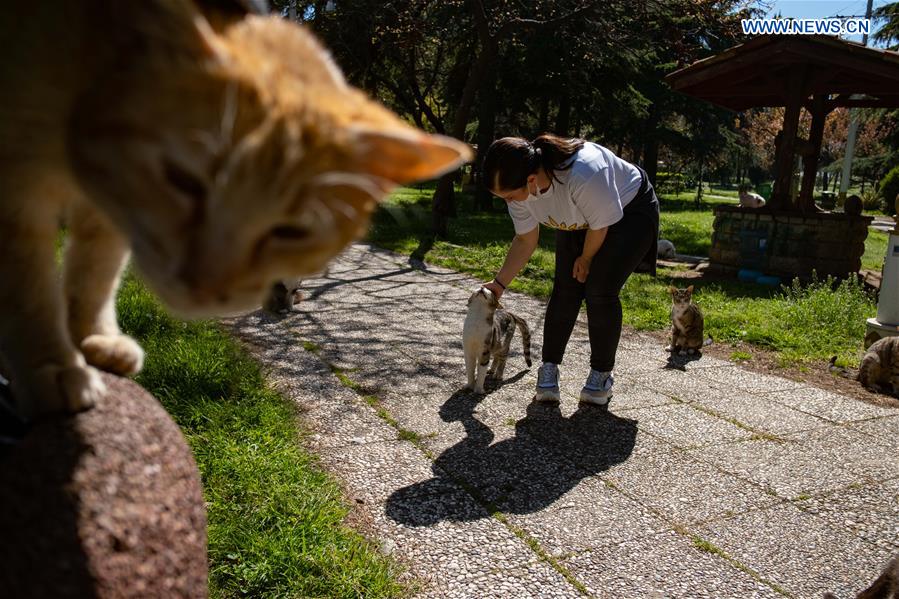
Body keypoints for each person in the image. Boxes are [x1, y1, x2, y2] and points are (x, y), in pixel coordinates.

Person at [481, 134, 659, 406]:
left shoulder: (585, 173)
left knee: (599, 290)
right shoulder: (522, 188)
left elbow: (600, 225)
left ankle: (600, 377)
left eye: (509, 196)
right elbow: (525, 240)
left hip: (629, 212)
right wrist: (499, 283)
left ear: (531, 180)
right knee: (565, 288)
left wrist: (586, 258)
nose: (508, 202)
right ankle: (549, 369)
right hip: (580, 216)